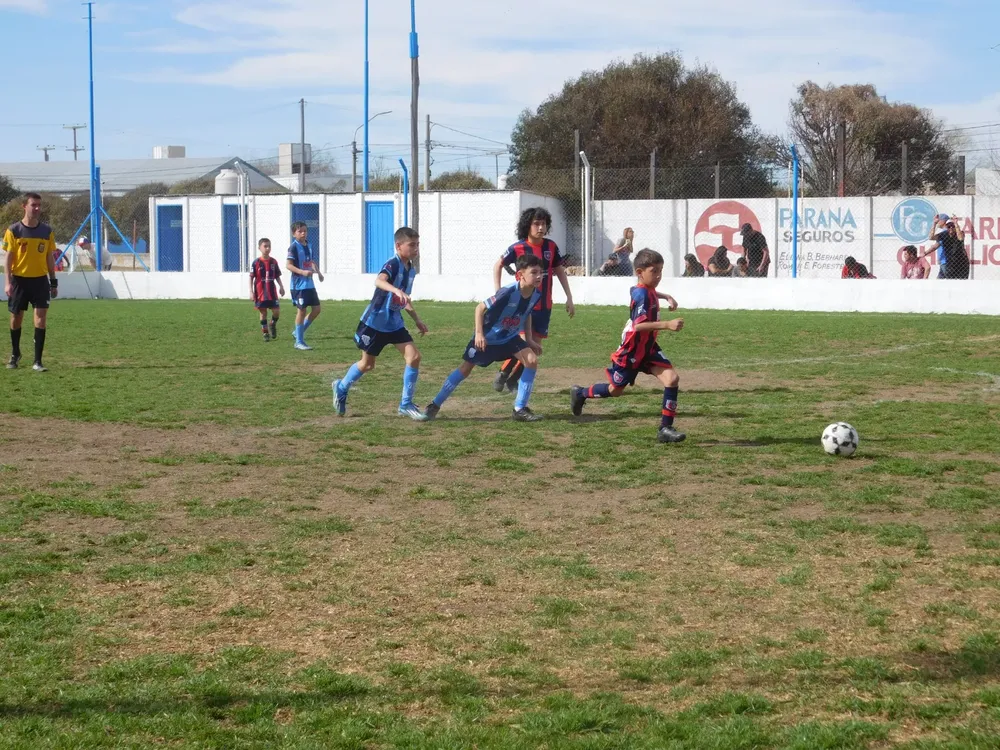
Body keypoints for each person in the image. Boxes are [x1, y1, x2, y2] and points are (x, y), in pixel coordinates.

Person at [569, 249, 686, 444]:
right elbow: (638, 325)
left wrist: (665, 296)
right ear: (640, 272)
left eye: (660, 271)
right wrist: (667, 324)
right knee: (615, 390)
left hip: (648, 348)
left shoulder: (642, 289)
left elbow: (646, 290)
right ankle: (580, 393)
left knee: (672, 379)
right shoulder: (642, 295)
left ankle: (665, 428)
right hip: (631, 351)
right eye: (654, 271)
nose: (658, 276)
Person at [425, 254, 545, 422]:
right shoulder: (507, 292)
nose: (539, 276)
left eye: (541, 272)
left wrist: (529, 339)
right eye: (534, 272)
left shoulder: (535, 294)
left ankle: (520, 409)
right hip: (488, 338)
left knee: (531, 360)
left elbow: (527, 313)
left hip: (509, 338)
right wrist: (479, 334)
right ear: (520, 275)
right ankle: (435, 404)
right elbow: (479, 308)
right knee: (465, 369)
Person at [332, 227, 429, 421]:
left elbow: (404, 299)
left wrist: (417, 319)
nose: (416, 248)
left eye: (417, 244)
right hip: (374, 323)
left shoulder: (411, 270)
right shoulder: (392, 264)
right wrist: (395, 290)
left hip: (394, 323)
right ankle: (341, 387)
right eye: (412, 245)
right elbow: (379, 281)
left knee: (414, 357)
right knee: (367, 365)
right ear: (398, 246)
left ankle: (405, 404)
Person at [492, 207, 574, 394]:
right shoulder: (517, 248)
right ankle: (504, 373)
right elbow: (498, 265)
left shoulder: (551, 247)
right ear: (527, 226)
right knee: (522, 343)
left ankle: (513, 380)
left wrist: (569, 297)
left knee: (535, 347)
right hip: (522, 306)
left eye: (543, 223)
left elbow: (559, 270)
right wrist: (498, 293)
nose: (540, 227)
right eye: (536, 223)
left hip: (544, 305)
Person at [3, 193, 58, 372]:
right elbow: (8, 259)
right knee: (15, 319)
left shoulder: (47, 231)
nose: (37, 209)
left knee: (40, 320)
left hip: (40, 281)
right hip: (19, 281)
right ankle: (15, 353)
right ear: (24, 206)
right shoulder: (13, 230)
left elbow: (50, 257)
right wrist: (8, 282)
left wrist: (53, 281)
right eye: (33, 205)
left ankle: (37, 361)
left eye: (39, 205)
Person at [286, 220, 324, 350]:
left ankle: (298, 332)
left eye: (305, 231)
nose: (303, 233)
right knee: (301, 311)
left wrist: (318, 272)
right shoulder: (293, 247)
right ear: (294, 234)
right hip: (298, 285)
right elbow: (288, 265)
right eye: (300, 231)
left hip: (309, 284)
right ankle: (299, 342)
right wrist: (302, 272)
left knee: (317, 309)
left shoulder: (309, 245)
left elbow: (311, 261)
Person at [250, 238, 285, 341]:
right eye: (265, 246)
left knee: (276, 311)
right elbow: (251, 277)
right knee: (263, 313)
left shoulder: (273, 262)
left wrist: (281, 286)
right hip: (260, 291)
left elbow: (277, 276)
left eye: (269, 246)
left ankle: (272, 324)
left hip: (272, 292)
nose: (267, 248)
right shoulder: (256, 262)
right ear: (259, 248)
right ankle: (265, 333)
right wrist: (251, 291)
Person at [930, 215, 969, 280]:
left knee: (962, 283)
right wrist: (934, 224)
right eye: (949, 226)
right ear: (946, 227)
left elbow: (960, 238)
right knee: (951, 282)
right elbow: (931, 237)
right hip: (950, 263)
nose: (951, 228)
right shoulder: (944, 234)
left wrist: (956, 223)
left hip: (962, 263)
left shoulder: (960, 233)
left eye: (952, 226)